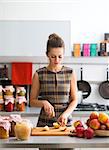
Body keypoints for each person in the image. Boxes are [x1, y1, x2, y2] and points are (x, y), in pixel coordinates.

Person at [30, 33, 77, 150]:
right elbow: (32, 101)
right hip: (44, 125)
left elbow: (74, 99)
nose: (56, 60)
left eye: (60, 56)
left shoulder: (70, 73)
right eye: (53, 56)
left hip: (66, 124)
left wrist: (65, 114)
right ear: (47, 55)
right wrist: (43, 102)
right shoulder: (38, 74)